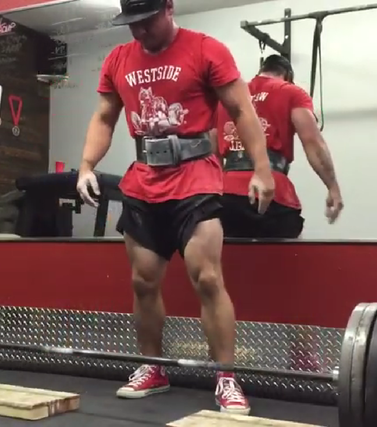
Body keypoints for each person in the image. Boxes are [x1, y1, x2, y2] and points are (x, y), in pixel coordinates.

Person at [75, 0, 275, 416]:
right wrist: (86, 167)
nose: (139, 32)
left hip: (196, 178)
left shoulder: (205, 49)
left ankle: (226, 377)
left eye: (146, 21)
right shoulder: (117, 59)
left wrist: (262, 169)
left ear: (168, 8)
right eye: (132, 23)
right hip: (143, 182)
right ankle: (154, 368)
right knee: (143, 282)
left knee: (207, 277)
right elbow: (105, 117)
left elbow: (241, 110)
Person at [215, 54, 343, 238]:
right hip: (273, 193)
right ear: (288, 76)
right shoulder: (291, 92)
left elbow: (211, 150)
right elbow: (314, 144)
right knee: (283, 260)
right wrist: (333, 187)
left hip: (226, 194)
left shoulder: (229, 96)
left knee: (231, 261)